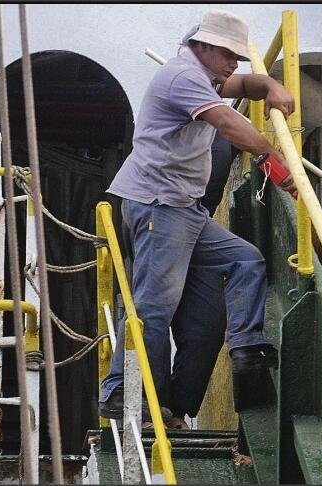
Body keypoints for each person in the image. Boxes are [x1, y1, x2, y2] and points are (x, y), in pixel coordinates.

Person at [98, 9, 297, 428]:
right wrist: (271, 158)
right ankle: (123, 394)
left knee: (245, 260)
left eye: (237, 57)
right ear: (202, 47)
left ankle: (245, 348)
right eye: (228, 54)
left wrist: (273, 86)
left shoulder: (207, 76)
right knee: (156, 307)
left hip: (184, 209)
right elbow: (226, 122)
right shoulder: (182, 76)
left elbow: (248, 85)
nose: (234, 64)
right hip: (158, 205)